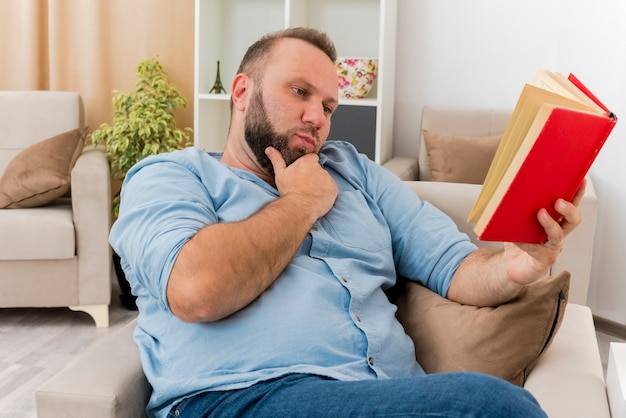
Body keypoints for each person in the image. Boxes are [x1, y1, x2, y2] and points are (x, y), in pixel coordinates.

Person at [110, 27, 584, 418]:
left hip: (380, 395)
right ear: (241, 92)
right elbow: (197, 291)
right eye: (299, 92)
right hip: (238, 398)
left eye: (329, 106)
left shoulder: (353, 171)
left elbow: (453, 266)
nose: (317, 117)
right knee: (489, 408)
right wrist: (300, 203)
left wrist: (512, 266)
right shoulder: (171, 175)